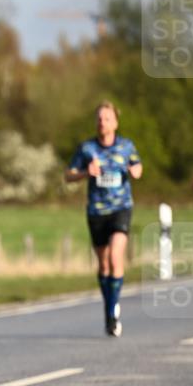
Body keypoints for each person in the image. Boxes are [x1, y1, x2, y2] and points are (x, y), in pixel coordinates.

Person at [65, 101, 142, 337]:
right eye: (99, 118)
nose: (102, 122)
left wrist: (134, 171)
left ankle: (112, 311)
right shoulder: (87, 148)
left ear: (115, 123)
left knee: (116, 256)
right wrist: (85, 173)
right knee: (104, 264)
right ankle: (109, 307)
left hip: (121, 208)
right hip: (97, 211)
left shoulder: (126, 146)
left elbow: (138, 166)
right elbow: (68, 175)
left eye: (107, 118)